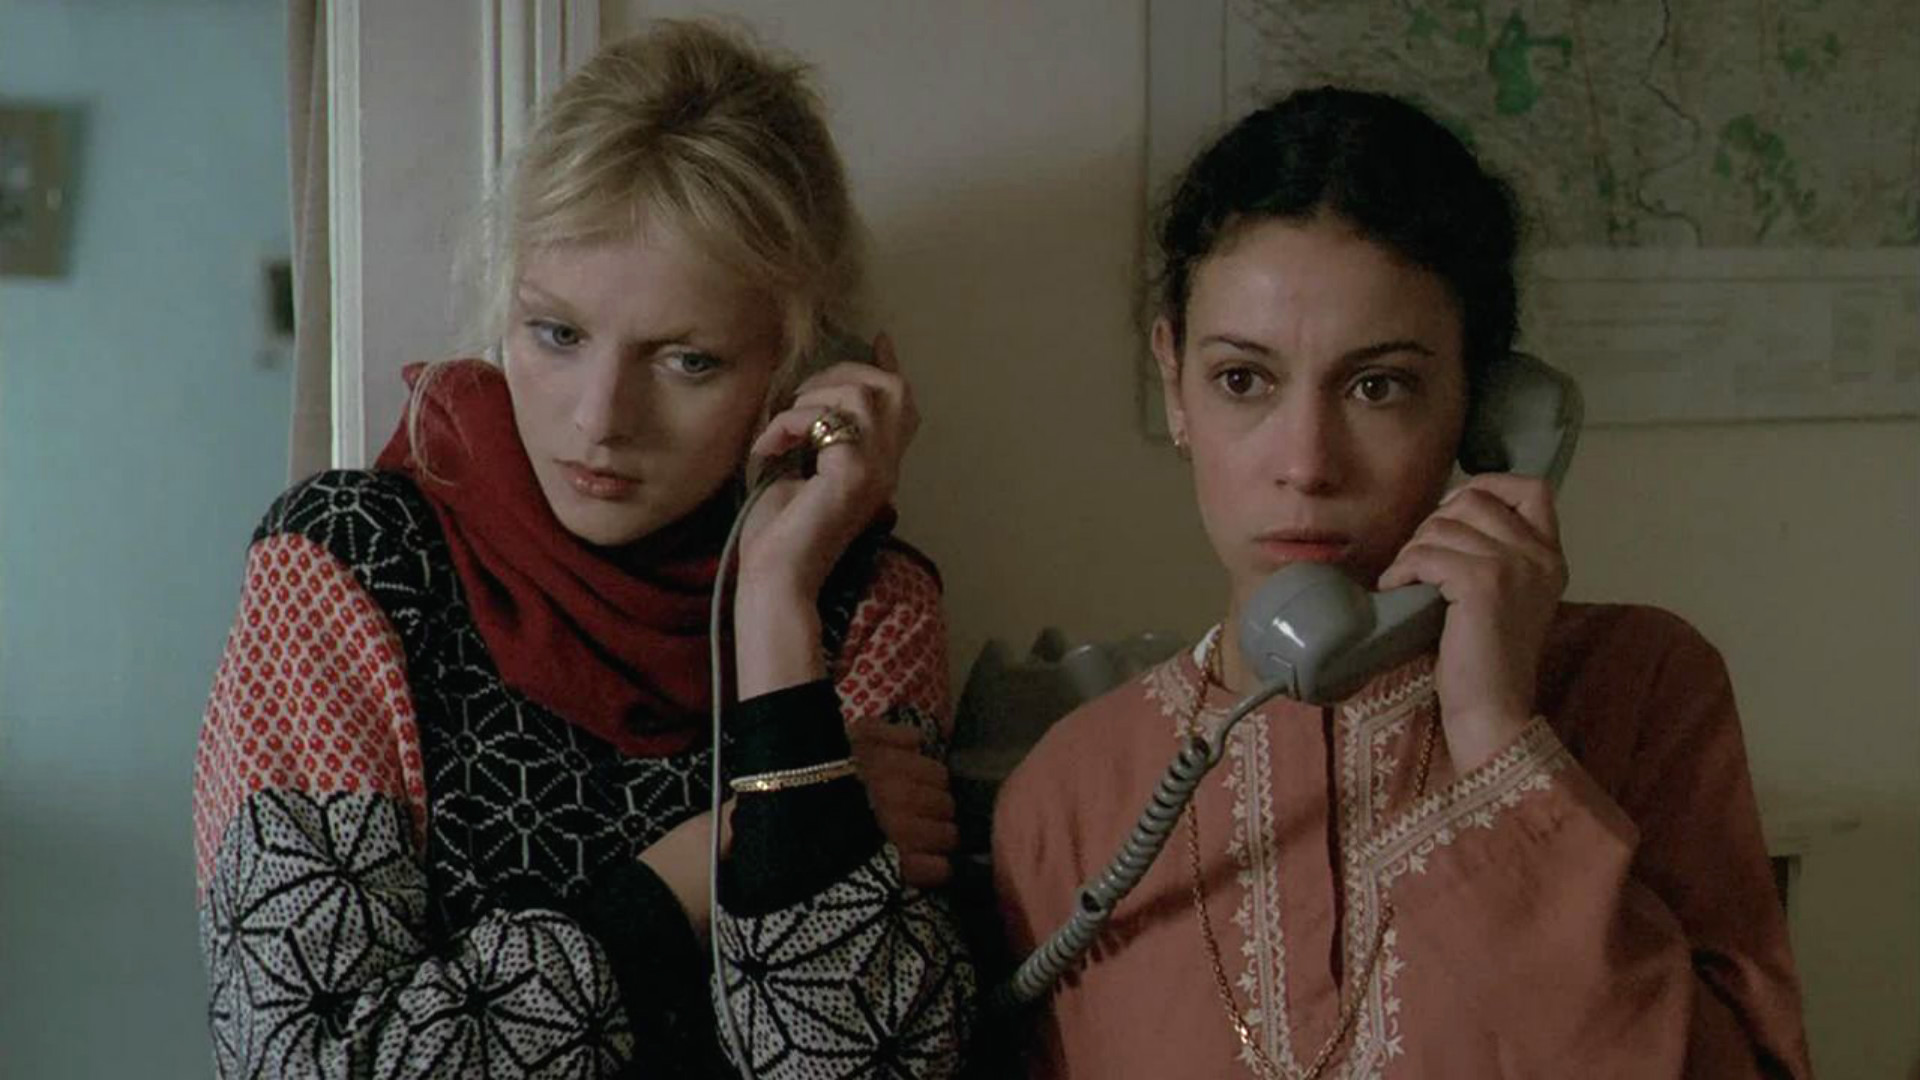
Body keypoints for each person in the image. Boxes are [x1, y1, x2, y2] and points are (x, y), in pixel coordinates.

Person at [193, 20, 971, 1079]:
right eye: (557, 335)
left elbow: (859, 1065)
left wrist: (774, 607)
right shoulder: (350, 569)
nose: (601, 418)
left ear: (794, 370)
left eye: (689, 361)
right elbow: (307, 1061)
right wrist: (709, 861)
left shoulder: (864, 602)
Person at [992, 88, 1811, 1078]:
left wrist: (1497, 733)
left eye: (1378, 386)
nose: (1307, 463)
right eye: (1243, 380)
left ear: (1482, 405)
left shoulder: (1642, 689)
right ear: (1175, 383)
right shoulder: (1069, 796)